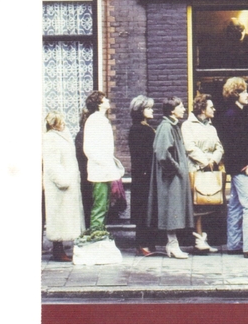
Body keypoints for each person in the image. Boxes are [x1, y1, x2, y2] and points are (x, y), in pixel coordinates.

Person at [216, 77, 248, 258]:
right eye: (244, 91)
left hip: (236, 167)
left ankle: (234, 243)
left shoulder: (235, 114)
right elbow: (233, 144)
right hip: (240, 168)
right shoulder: (233, 115)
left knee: (235, 206)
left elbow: (241, 137)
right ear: (236, 94)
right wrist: (245, 166)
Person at [147, 97, 195, 259]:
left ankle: (173, 244)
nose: (183, 109)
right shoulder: (166, 127)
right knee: (172, 210)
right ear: (172, 110)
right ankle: (172, 244)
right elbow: (162, 154)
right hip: (170, 178)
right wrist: (177, 168)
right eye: (180, 106)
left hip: (174, 177)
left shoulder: (173, 126)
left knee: (174, 210)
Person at [182, 93, 224, 254]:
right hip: (195, 169)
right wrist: (205, 162)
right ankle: (198, 239)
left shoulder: (211, 127)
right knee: (197, 203)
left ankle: (202, 238)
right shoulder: (188, 126)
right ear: (202, 108)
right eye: (211, 107)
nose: (214, 109)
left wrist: (213, 160)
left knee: (208, 202)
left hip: (210, 169)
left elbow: (219, 147)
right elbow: (190, 147)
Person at [42, 112, 85, 261]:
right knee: (58, 216)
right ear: (54, 124)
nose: (64, 124)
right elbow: (52, 163)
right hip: (59, 186)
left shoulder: (63, 136)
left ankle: (63, 249)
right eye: (60, 122)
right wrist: (63, 180)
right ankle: (58, 250)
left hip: (68, 183)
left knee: (65, 216)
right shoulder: (50, 138)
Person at [82, 90, 125, 233]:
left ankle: (99, 235)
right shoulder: (95, 120)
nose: (107, 100)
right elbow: (89, 148)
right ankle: (96, 236)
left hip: (105, 170)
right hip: (99, 171)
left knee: (104, 205)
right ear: (99, 103)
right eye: (104, 98)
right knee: (100, 205)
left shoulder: (100, 119)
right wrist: (105, 163)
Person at [128, 94, 159, 256]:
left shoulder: (145, 128)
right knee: (143, 210)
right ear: (140, 111)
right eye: (148, 108)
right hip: (143, 177)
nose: (151, 110)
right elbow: (141, 155)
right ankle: (142, 243)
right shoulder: (139, 129)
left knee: (147, 209)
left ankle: (147, 242)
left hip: (145, 175)